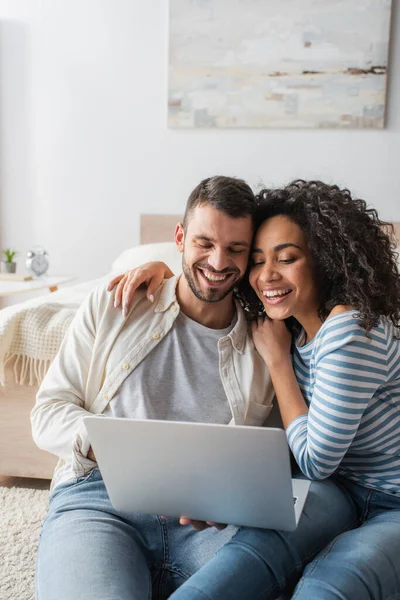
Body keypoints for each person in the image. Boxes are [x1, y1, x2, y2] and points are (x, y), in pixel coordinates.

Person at [112, 179, 400, 600]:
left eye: (287, 259)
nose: (267, 276)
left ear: (324, 260)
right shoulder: (287, 323)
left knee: (328, 586)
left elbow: (316, 460)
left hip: (390, 502)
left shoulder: (348, 329)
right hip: (337, 492)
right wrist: (167, 270)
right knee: (248, 556)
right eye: (258, 259)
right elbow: (210, 277)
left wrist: (280, 363)